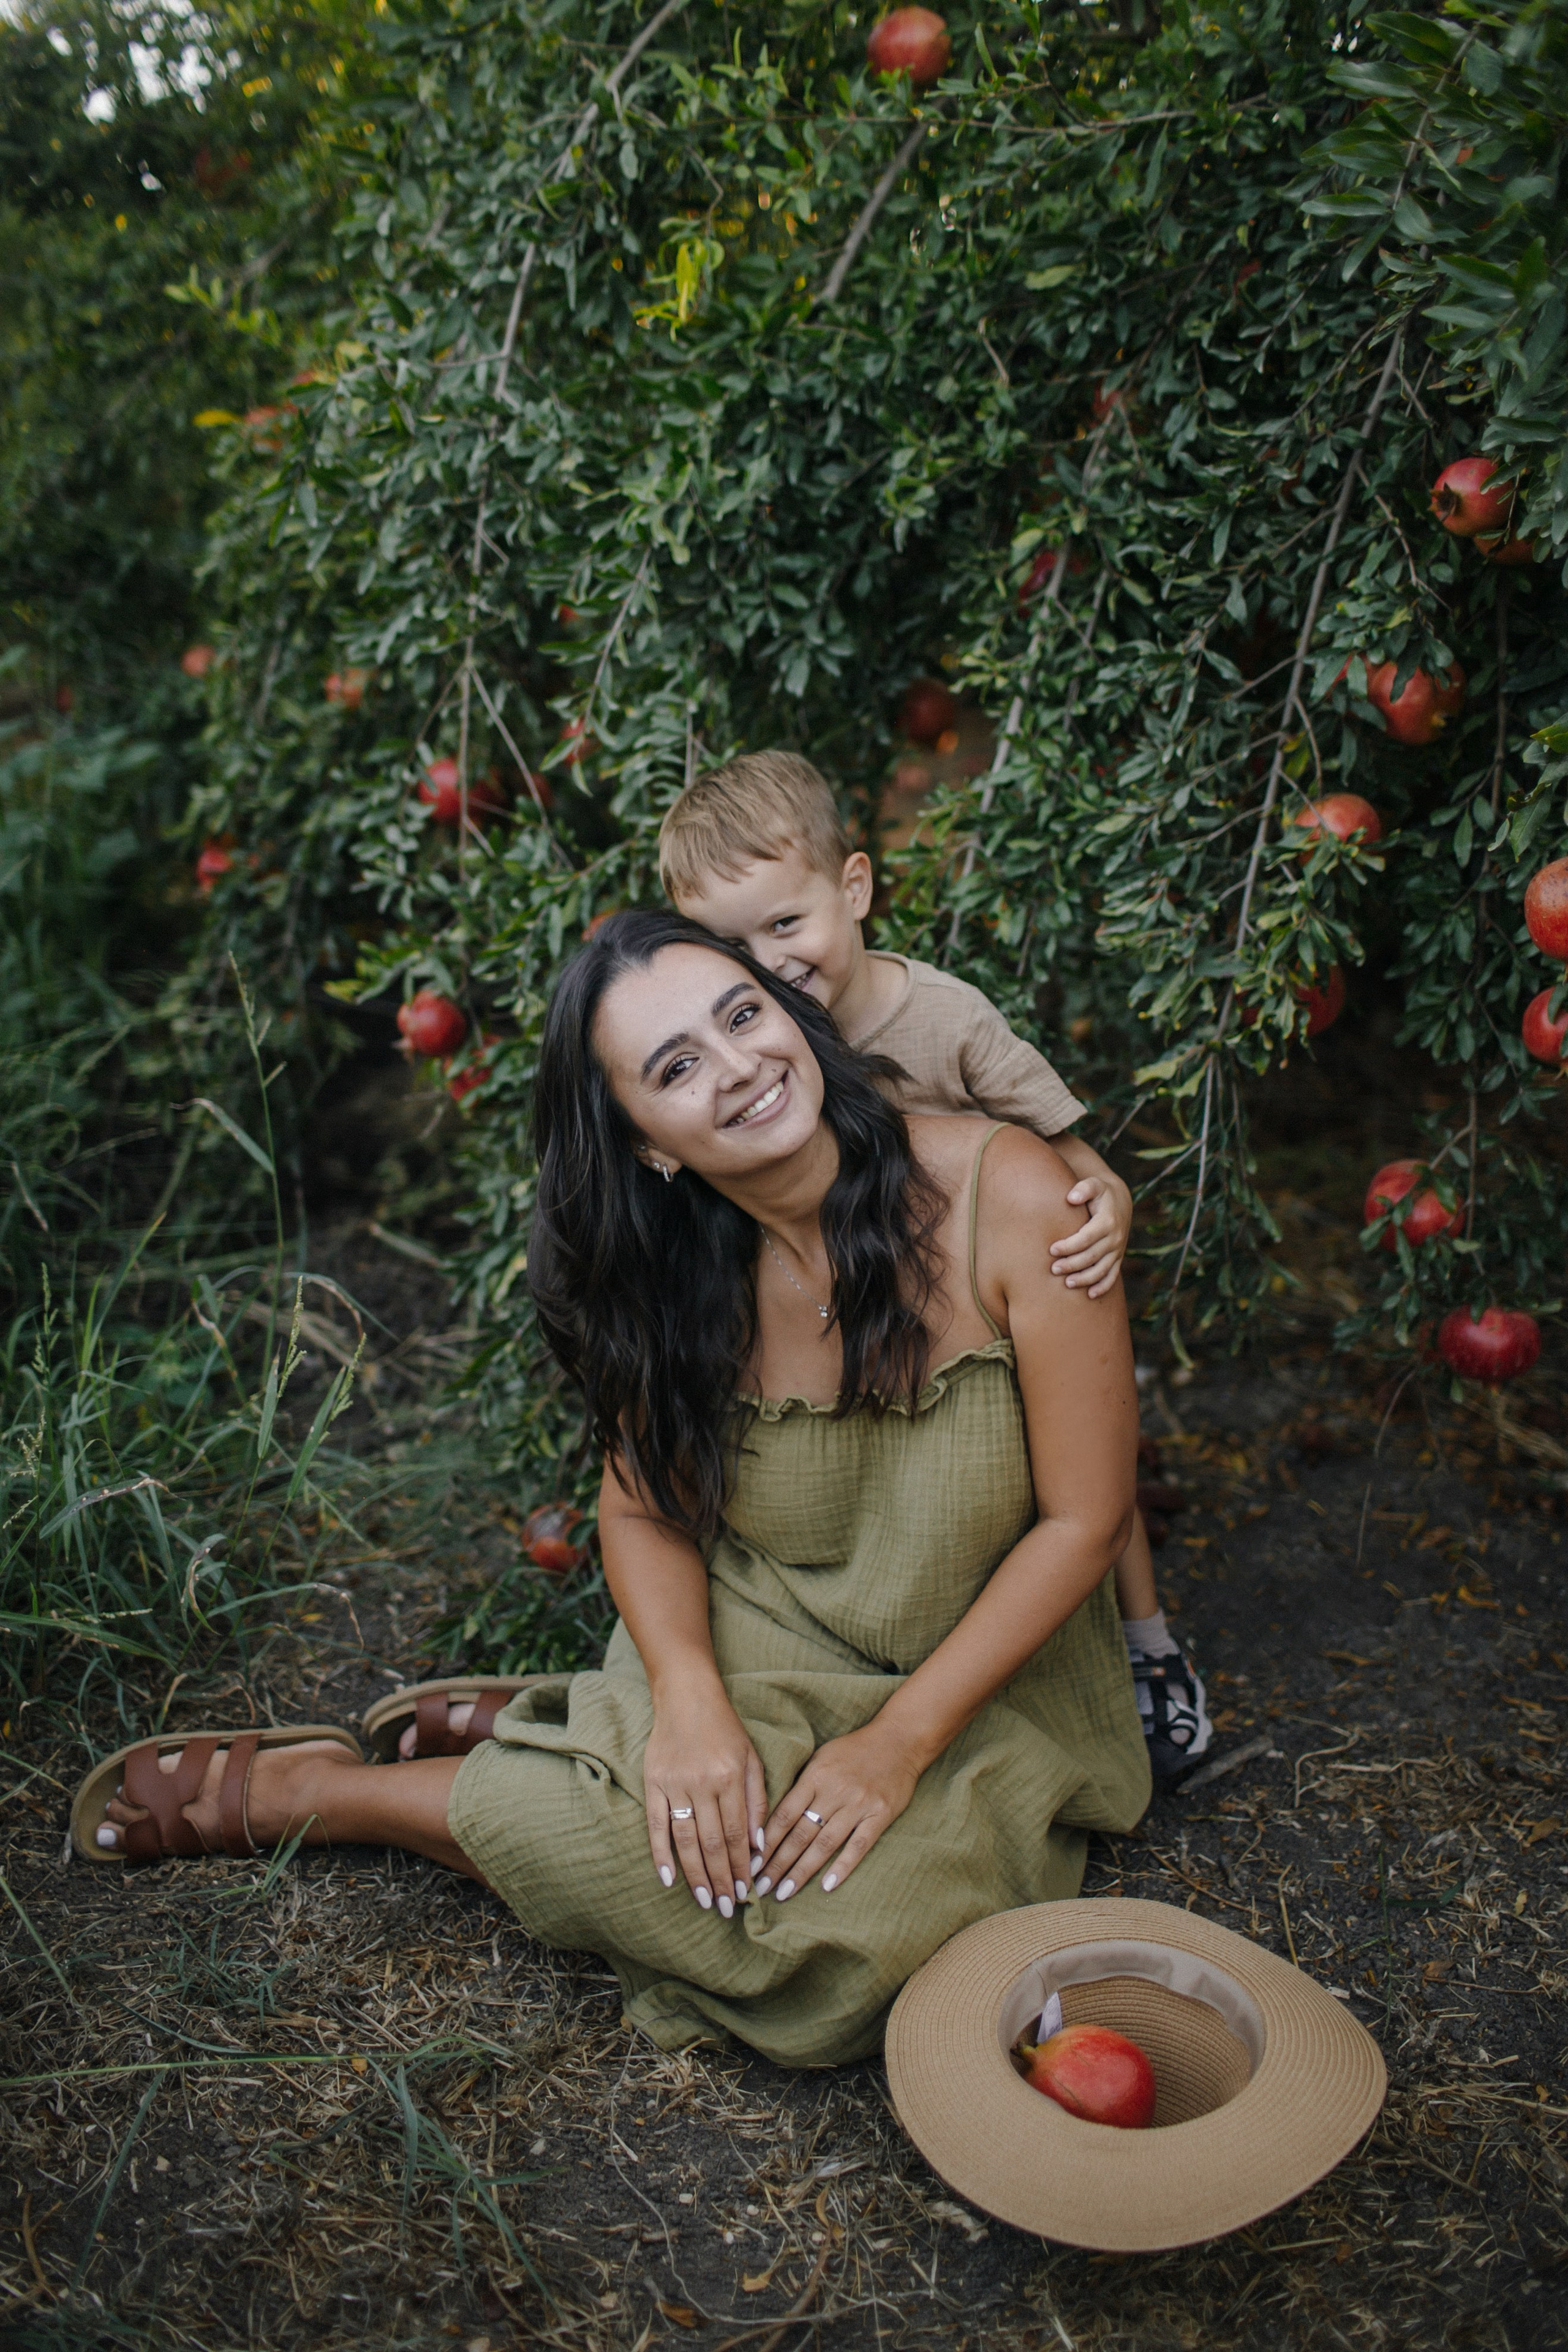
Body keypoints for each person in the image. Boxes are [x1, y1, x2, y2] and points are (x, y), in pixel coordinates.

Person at [88, 913, 1149, 2067]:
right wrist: (691, 1701)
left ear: (791, 1015)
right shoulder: (685, 1272)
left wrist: (894, 1745)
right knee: (688, 1839)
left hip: (981, 1689)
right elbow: (642, 1507)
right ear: (648, 1141)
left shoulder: (1019, 1198)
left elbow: (1084, 1522)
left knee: (863, 1949)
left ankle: (565, 1743)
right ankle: (324, 1798)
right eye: (676, 1066)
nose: (739, 1066)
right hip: (763, 1641)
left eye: (742, 1016)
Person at [658, 752, 1212, 1779]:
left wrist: (1113, 1200)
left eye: (787, 924)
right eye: (732, 946)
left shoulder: (944, 1020)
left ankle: (1148, 1648)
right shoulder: (761, 1049)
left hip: (992, 1284)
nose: (769, 963)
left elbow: (1063, 1140)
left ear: (854, 888)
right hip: (876, 1301)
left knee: (1092, 1479)